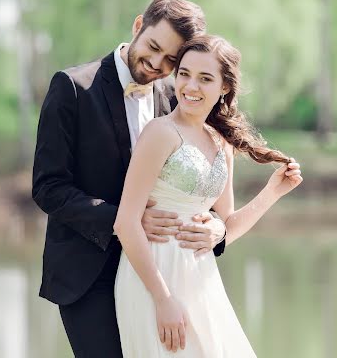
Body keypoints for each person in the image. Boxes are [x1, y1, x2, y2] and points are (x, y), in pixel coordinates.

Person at [32, 0, 226, 358]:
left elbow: (197, 180)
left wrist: (217, 227)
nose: (156, 64)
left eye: (172, 60)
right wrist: (125, 219)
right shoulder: (72, 88)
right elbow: (48, 188)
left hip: (162, 272)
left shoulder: (178, 96)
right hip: (90, 274)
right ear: (138, 26)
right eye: (153, 47)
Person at [115, 35, 303, 356]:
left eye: (205, 78)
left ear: (224, 88)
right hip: (154, 277)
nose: (190, 86)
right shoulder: (160, 133)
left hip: (200, 277)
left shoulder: (220, 143)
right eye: (185, 74)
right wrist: (163, 298)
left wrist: (272, 191)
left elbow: (227, 227)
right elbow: (125, 223)